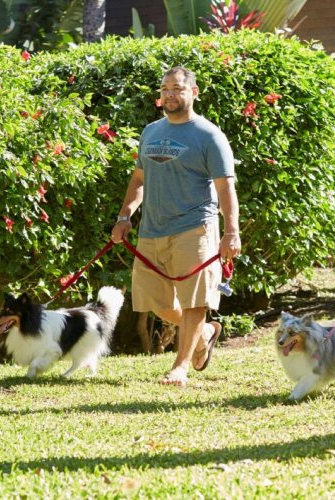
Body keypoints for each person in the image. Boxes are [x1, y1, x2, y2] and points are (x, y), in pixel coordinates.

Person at [111, 66, 241, 387]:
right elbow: (139, 179)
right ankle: (204, 333)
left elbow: (225, 187)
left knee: (195, 300)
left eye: (178, 88)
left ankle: (180, 367)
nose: (170, 94)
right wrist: (125, 217)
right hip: (152, 230)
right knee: (154, 301)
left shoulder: (209, 135)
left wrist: (231, 232)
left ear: (193, 93)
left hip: (195, 228)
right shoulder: (150, 132)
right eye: (165, 89)